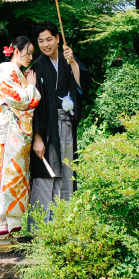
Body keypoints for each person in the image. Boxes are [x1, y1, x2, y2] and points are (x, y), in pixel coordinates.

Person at [0, 35, 40, 252]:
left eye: (32, 53)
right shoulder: (6, 78)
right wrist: (31, 86)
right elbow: (24, 101)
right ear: (15, 51)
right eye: (27, 52)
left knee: (5, 185)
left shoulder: (12, 77)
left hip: (4, 139)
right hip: (3, 141)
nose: (30, 57)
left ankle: (3, 234)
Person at [29, 20, 85, 224]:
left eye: (49, 39)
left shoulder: (67, 60)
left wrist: (73, 63)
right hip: (46, 130)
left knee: (67, 172)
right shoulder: (36, 67)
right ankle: (39, 229)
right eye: (41, 41)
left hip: (67, 127)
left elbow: (81, 86)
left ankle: (64, 225)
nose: (45, 44)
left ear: (58, 39)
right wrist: (37, 137)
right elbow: (33, 104)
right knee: (46, 172)